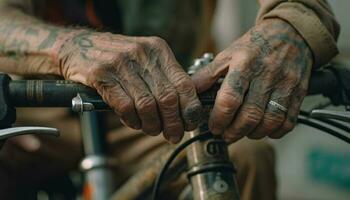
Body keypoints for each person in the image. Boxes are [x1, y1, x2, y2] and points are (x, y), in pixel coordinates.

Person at [0, 0, 340, 199]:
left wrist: (289, 24)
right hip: (34, 110)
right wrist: (67, 49)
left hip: (168, 109)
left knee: (244, 159)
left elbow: (298, 7)